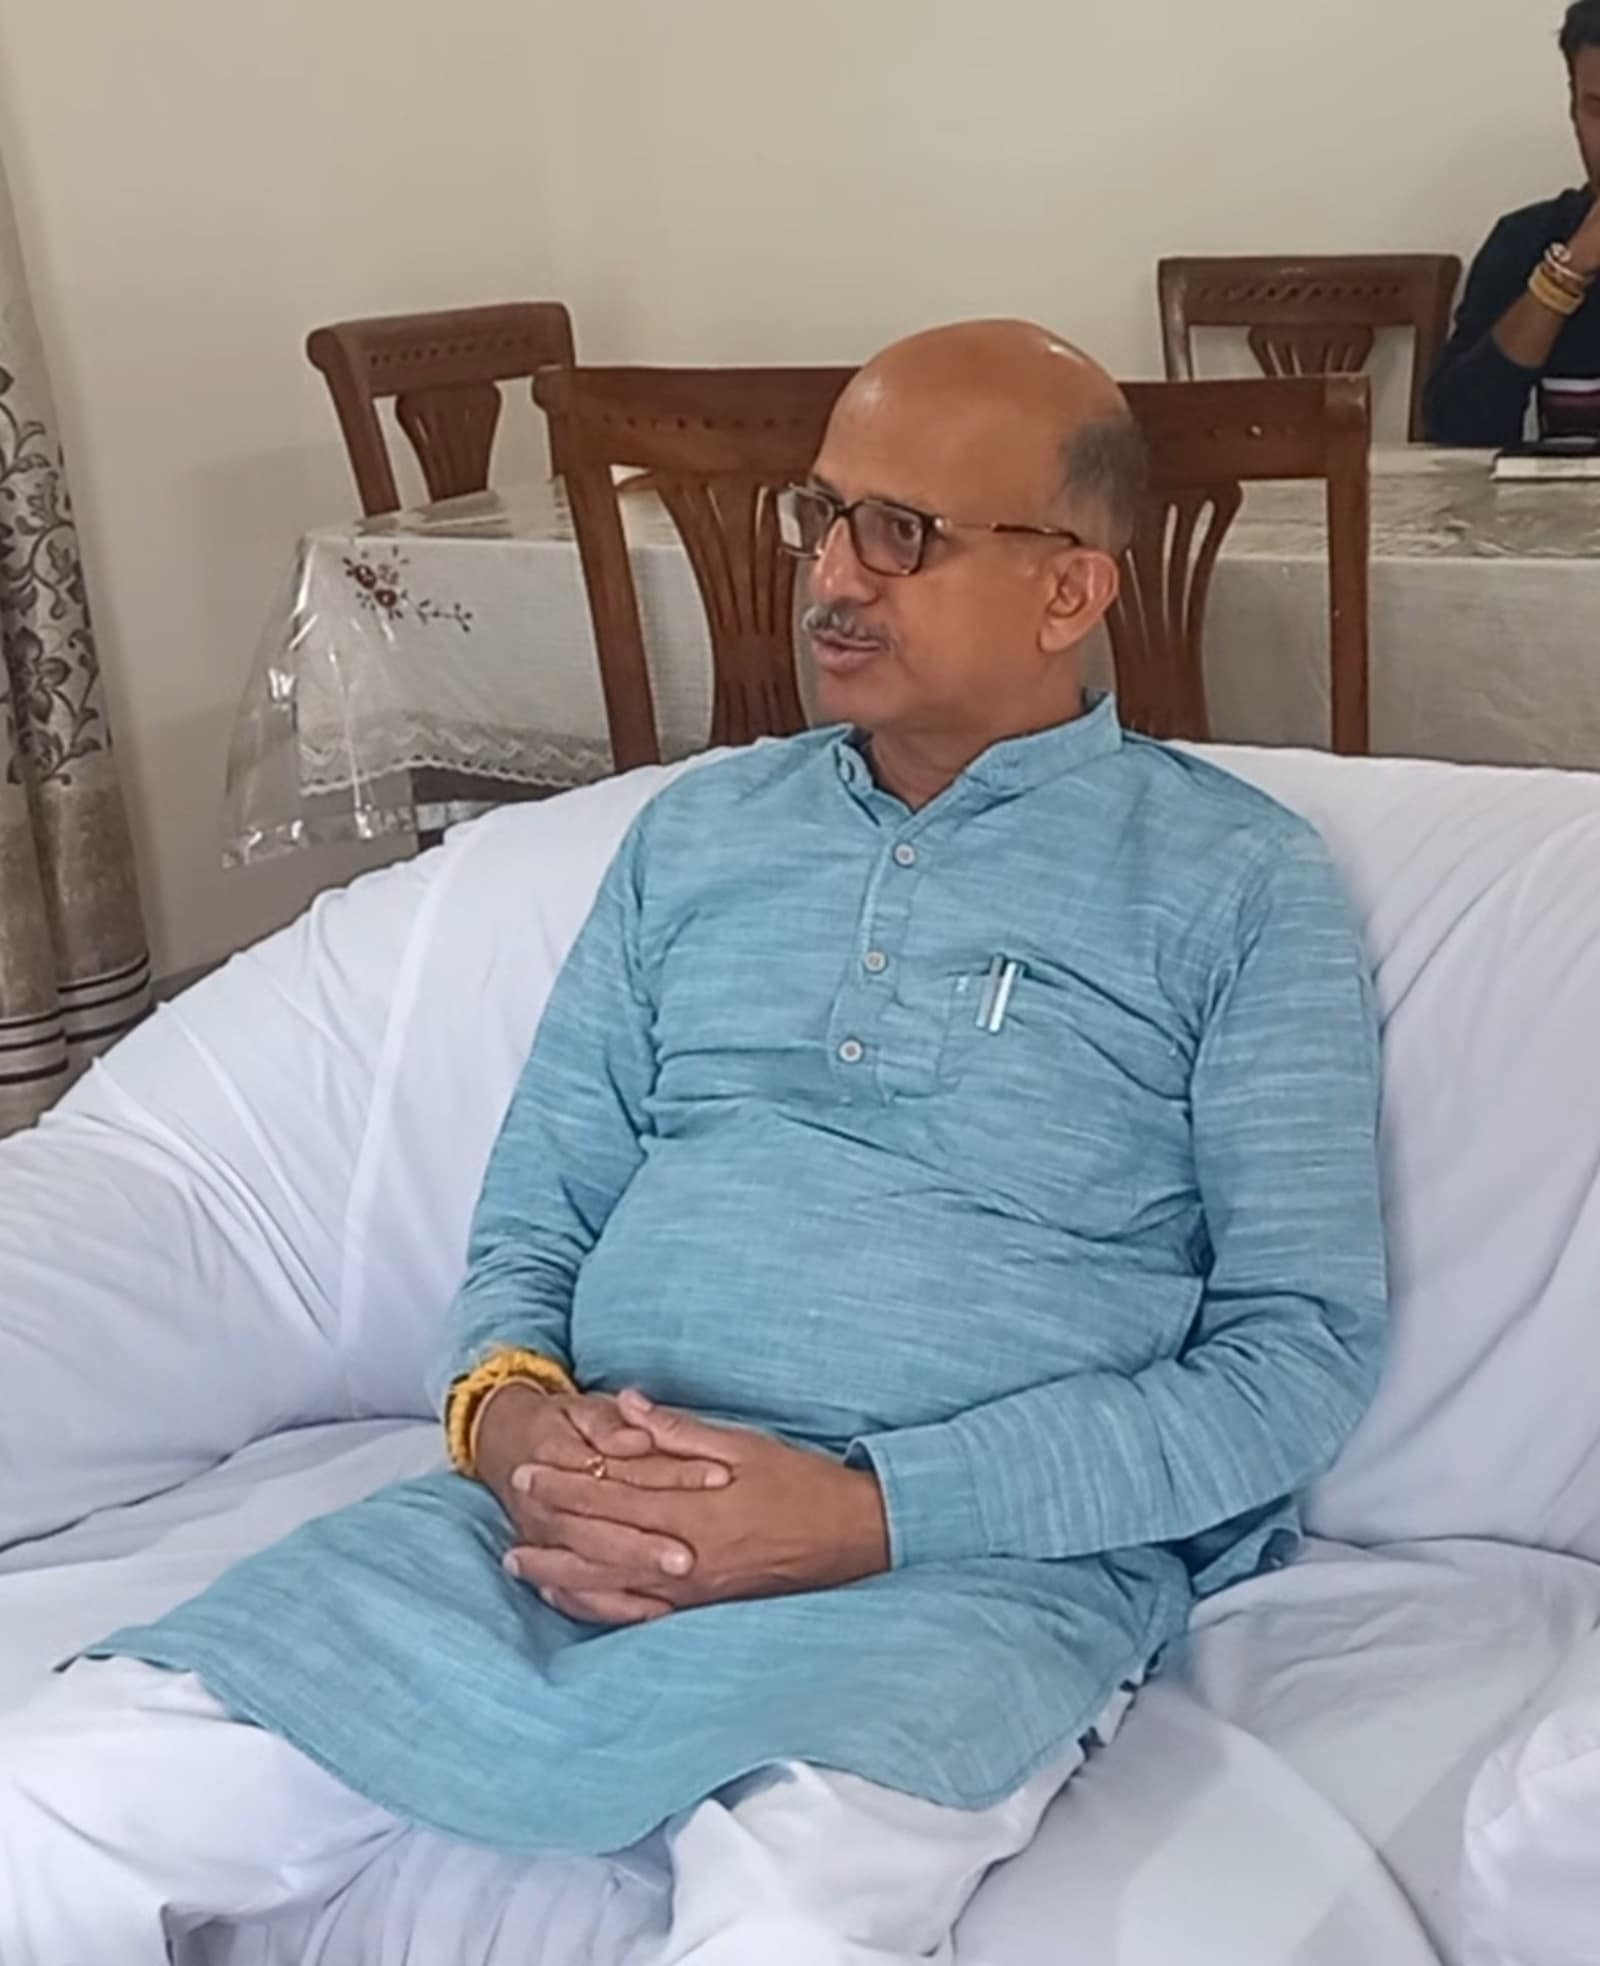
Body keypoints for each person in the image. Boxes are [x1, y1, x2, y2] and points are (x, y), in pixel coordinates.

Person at [0, 320, 1388, 1966]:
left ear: (1071, 588)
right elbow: (534, 1216)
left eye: (904, 534)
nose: (832, 579)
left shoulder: (1236, 882)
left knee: (789, 1931)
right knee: (53, 1797)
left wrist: (866, 1511)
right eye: (824, 516)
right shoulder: (701, 832)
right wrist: (522, 1432)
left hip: (959, 1565)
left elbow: (1296, 1356)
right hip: (548, 1522)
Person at [1426, 1, 1600, 446]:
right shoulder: (1526, 241)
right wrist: (1564, 276)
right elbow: (1453, 435)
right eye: (1599, 109)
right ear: (1573, 108)